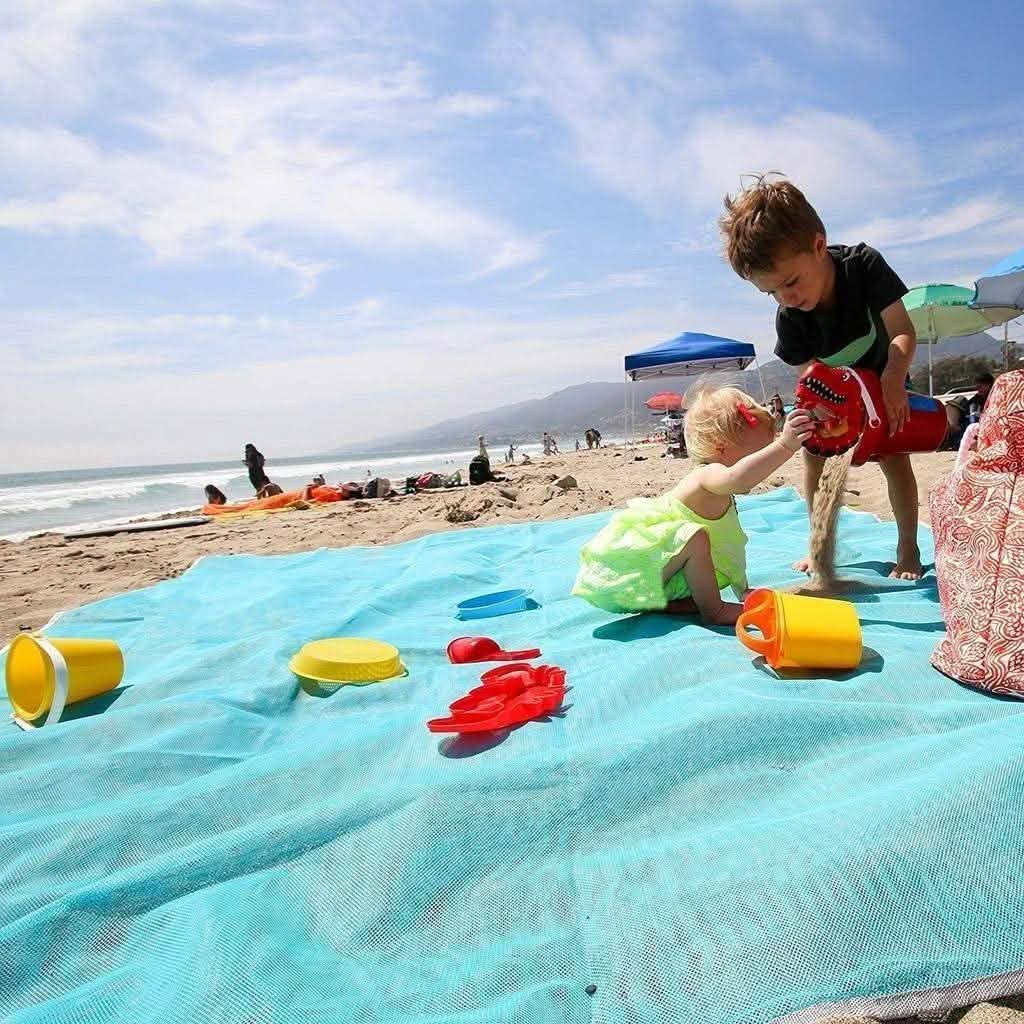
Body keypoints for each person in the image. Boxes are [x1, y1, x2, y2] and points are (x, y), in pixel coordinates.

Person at [720, 175, 922, 580]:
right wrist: (825, 419)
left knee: (895, 460)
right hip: (834, 392)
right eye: (772, 292)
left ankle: (908, 547)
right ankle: (820, 546)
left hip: (887, 380)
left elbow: (902, 331)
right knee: (812, 460)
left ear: (818, 244)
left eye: (791, 282)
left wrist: (893, 378)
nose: (787, 299)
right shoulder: (791, 316)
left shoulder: (863, 267)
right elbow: (811, 378)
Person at [573, 387, 813, 626]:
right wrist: (784, 446)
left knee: (704, 539)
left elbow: (730, 544)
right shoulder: (707, 475)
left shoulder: (721, 489)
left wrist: (744, 590)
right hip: (633, 574)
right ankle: (714, 611)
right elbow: (740, 479)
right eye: (760, 454)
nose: (764, 464)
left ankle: (674, 605)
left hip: (661, 580)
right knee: (694, 537)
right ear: (721, 448)